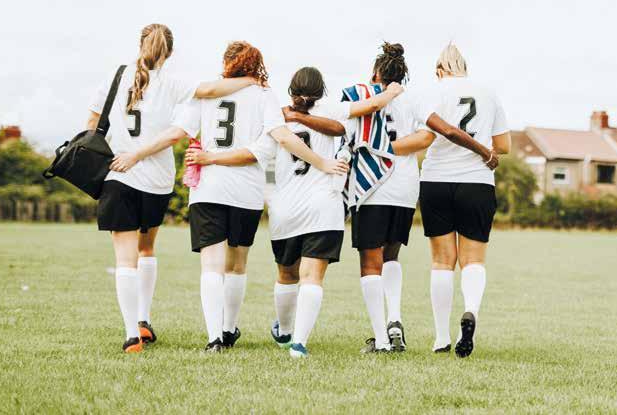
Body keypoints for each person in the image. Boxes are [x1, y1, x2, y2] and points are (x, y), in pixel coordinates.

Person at [117, 41, 348, 352]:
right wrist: (321, 162)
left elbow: (177, 132)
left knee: (211, 267)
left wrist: (137, 154)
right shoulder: (263, 94)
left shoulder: (206, 93)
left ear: (226, 63)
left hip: (208, 189)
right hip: (245, 191)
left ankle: (215, 338)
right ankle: (228, 330)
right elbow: (275, 140)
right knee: (237, 265)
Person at [288, 42, 499, 353]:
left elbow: (338, 127)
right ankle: (395, 319)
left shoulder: (360, 95)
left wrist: (376, 149)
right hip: (405, 188)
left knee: (370, 264)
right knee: (391, 257)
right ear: (403, 75)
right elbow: (426, 136)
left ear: (376, 73)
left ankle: (383, 339)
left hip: (371, 188)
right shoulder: (413, 98)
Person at [186, 67, 403, 358]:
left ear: (291, 91)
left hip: (286, 208)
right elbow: (371, 106)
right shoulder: (332, 110)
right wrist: (391, 91)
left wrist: (213, 159)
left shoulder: (276, 116)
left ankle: (285, 332)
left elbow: (258, 156)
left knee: (286, 275)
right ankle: (298, 344)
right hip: (324, 206)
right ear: (322, 91)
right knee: (312, 277)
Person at [86, 23, 262, 354]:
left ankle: (132, 335)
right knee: (146, 249)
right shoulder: (171, 84)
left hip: (117, 174)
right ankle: (144, 318)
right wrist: (250, 80)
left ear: (140, 44)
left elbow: (93, 123)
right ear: (169, 52)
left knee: (124, 259)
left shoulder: (115, 76)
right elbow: (210, 89)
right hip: (155, 179)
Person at [417, 43, 510, 358]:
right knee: (473, 261)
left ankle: (441, 338)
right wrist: (484, 147)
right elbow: (504, 145)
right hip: (477, 182)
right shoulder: (488, 92)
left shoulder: (433, 91)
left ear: (439, 70)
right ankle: (470, 312)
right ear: (465, 67)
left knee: (442, 261)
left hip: (436, 181)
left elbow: (427, 135)